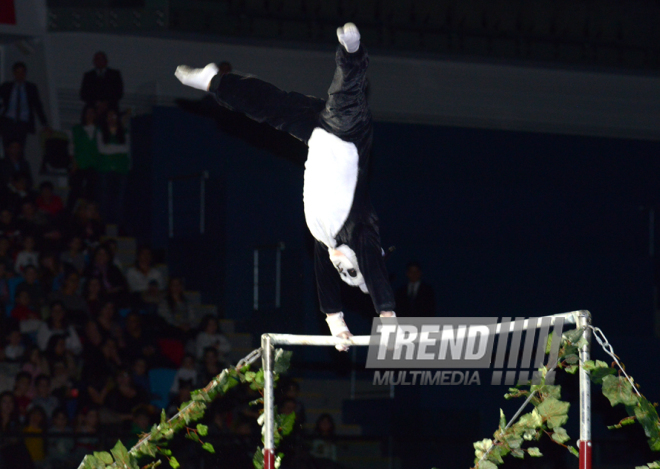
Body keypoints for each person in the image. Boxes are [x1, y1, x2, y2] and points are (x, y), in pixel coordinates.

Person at [176, 23, 396, 350]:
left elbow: (326, 284)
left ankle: (214, 80)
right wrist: (388, 320)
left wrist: (337, 326)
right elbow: (375, 274)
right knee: (344, 96)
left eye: (340, 268)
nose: (336, 262)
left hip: (317, 135)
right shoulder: (361, 232)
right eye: (346, 267)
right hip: (347, 136)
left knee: (269, 106)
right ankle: (353, 54)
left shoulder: (325, 239)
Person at [0, 61, 49, 148]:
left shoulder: (31, 88)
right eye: (18, 72)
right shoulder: (6, 86)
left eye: (22, 72)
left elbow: (37, 106)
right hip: (8, 122)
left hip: (22, 123)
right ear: (14, 73)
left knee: (20, 149)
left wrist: (44, 124)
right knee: (7, 147)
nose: (20, 75)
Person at [97, 108, 130, 227]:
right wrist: (117, 148)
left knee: (120, 199)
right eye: (109, 116)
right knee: (105, 198)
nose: (111, 119)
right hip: (105, 169)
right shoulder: (101, 130)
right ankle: (104, 225)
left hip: (121, 170)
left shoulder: (124, 131)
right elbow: (102, 149)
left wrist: (110, 148)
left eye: (114, 116)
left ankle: (118, 226)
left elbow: (126, 148)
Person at [67, 104, 100, 211]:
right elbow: (72, 147)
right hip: (80, 163)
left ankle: (89, 214)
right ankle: (68, 213)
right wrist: (74, 163)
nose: (90, 115)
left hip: (94, 164)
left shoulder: (100, 129)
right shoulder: (77, 129)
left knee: (91, 191)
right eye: (88, 113)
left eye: (92, 113)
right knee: (75, 190)